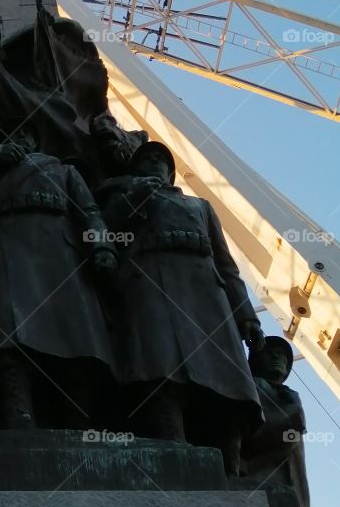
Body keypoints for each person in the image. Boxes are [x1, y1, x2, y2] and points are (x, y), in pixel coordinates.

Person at [98, 142, 263, 472]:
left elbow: (227, 265)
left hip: (205, 292)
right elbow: (105, 232)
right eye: (146, 159)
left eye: (160, 159)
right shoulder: (122, 196)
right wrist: (134, 200)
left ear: (171, 171)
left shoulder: (200, 206)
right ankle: (173, 443)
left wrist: (246, 315)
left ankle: (230, 465)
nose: (154, 163)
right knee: (160, 364)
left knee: (226, 376)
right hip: (151, 280)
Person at [0, 125, 117, 430]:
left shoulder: (64, 171)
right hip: (5, 249)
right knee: (7, 339)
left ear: (34, 139)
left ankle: (76, 421)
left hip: (59, 255)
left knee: (74, 340)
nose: (18, 139)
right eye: (11, 134)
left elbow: (89, 211)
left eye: (24, 134)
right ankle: (18, 413)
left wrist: (100, 245)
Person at [240, 335, 310, 507]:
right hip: (258, 478)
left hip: (291, 484)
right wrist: (291, 423)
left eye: (283, 356)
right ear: (255, 361)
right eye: (271, 353)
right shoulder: (249, 384)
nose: (278, 358)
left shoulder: (291, 395)